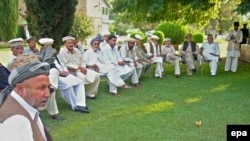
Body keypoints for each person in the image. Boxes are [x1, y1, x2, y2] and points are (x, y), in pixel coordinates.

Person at [0, 61, 53, 141]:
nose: (48, 94)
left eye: (48, 87)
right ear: (20, 89)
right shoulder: (16, 121)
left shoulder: (28, 106)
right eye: (41, 88)